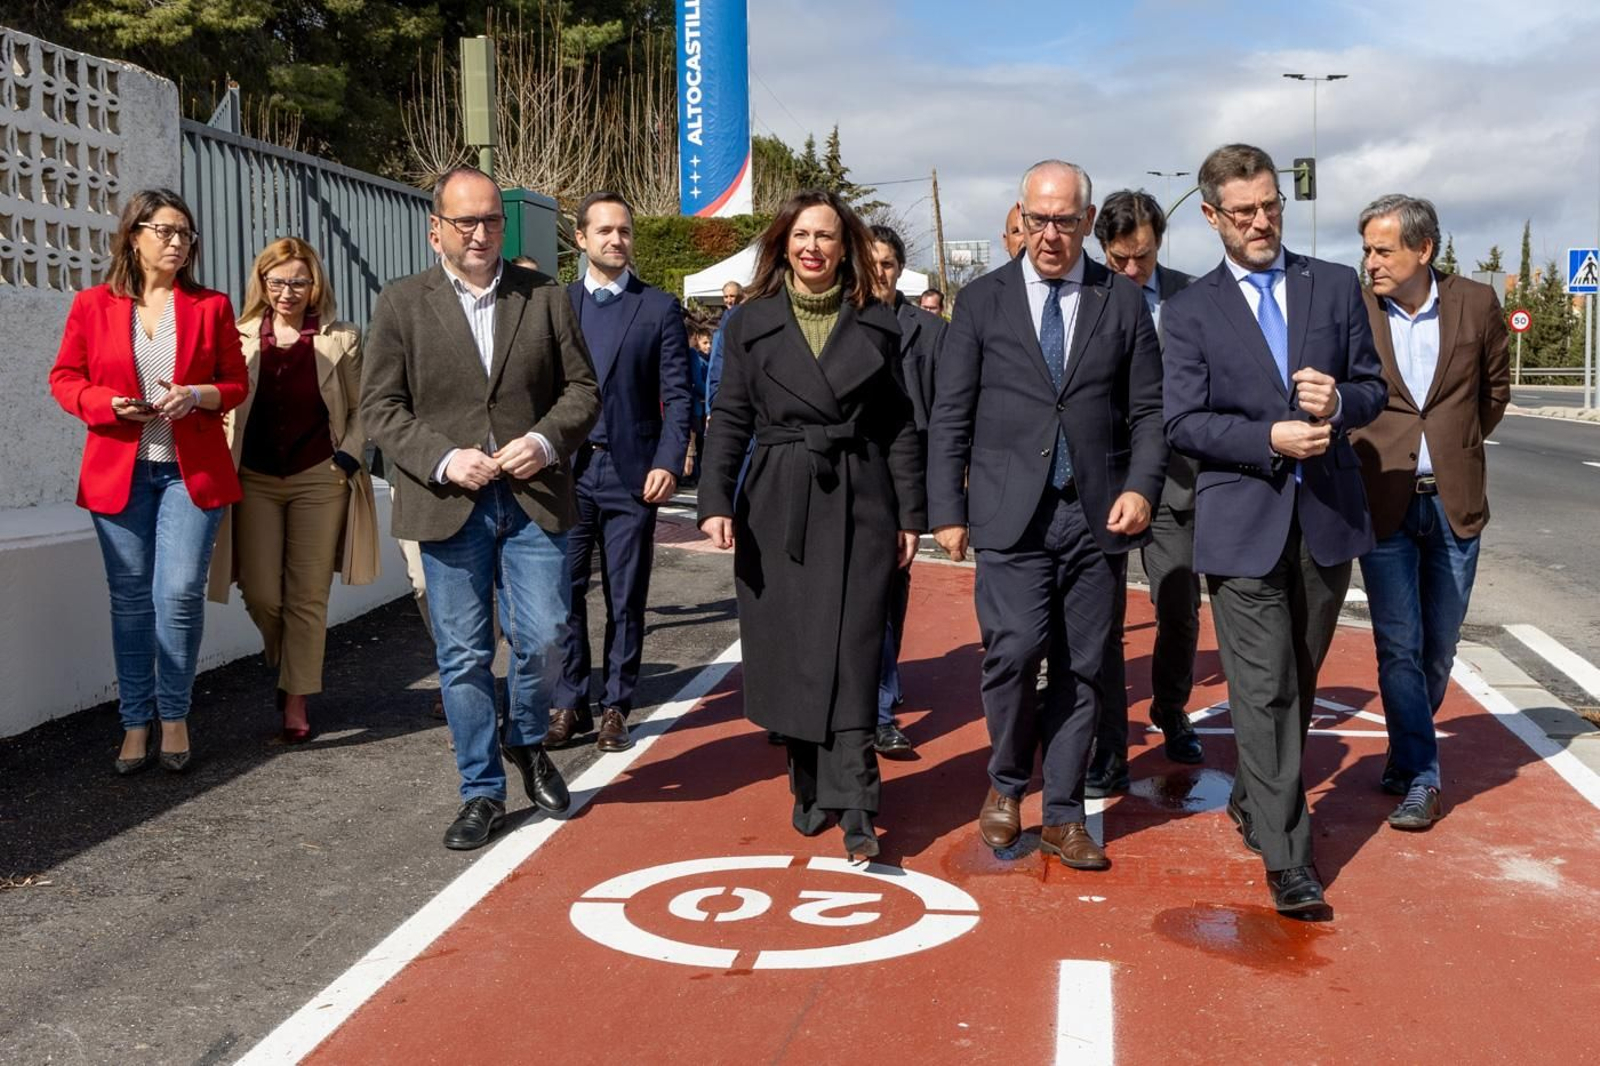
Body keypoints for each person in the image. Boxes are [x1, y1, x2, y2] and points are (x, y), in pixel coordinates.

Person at [1163, 143, 1386, 914]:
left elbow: (1372, 388)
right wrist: (1267, 439)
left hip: (1325, 519)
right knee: (1262, 692)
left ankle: (1258, 800)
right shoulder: (1189, 310)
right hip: (1241, 523)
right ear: (1211, 217)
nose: (1261, 221)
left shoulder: (1331, 284)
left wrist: (1339, 402)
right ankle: (1290, 861)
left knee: (1299, 675)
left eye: (1271, 206)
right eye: (1244, 211)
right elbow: (1183, 421)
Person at [927, 160, 1166, 871]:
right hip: (1008, 515)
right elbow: (950, 414)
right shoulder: (980, 302)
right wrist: (947, 508)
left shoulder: (1120, 302)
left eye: (1066, 220)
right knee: (1012, 650)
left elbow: (1151, 413)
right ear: (1021, 217)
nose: (1051, 234)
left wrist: (1143, 486)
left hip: (1096, 516)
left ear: (1088, 222)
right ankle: (1005, 785)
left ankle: (1064, 813)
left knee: (1086, 666)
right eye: (1038, 219)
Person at [361, 165, 600, 850]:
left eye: (491, 219)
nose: (480, 232)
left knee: (547, 635)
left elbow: (582, 392)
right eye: (465, 220)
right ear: (435, 228)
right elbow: (380, 407)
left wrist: (544, 441)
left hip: (532, 497)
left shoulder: (545, 297)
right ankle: (481, 791)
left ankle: (525, 741)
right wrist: (442, 457)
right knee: (464, 655)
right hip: (447, 500)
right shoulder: (402, 303)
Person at [698, 189, 925, 861]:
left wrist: (912, 513)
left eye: (827, 236)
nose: (814, 247)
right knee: (792, 650)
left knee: (854, 651)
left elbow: (898, 427)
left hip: (859, 495)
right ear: (783, 244)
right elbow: (730, 418)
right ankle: (805, 776)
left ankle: (856, 803)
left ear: (844, 246)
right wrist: (714, 499)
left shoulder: (879, 324)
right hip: (777, 500)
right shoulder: (749, 324)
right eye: (803, 235)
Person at [48, 187, 249, 774]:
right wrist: (108, 404)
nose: (178, 242)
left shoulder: (210, 306)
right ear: (134, 236)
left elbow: (235, 384)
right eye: (166, 231)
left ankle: (175, 716)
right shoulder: (93, 305)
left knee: (179, 593)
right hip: (120, 472)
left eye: (186, 233)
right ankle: (135, 723)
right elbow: (63, 378)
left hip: (192, 474)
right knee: (132, 602)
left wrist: (198, 396)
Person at [1350, 194, 1510, 830]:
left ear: (1423, 250)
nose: (1370, 262)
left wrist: (1453, 446)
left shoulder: (1476, 303)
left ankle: (1404, 747)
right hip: (1383, 498)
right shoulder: (1356, 309)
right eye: (1366, 248)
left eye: (1383, 250)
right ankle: (1423, 773)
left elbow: (1493, 392)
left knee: (1438, 648)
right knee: (1398, 647)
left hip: (1452, 502)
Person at [206, 237, 379, 743]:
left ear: (315, 285)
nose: (287, 291)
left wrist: (348, 455)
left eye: (299, 281)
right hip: (255, 479)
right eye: (277, 281)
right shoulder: (237, 338)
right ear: (262, 282)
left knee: (307, 595)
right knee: (260, 591)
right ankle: (288, 666)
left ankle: (297, 698)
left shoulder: (340, 338)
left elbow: (365, 405)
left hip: (319, 477)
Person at [549, 191, 693, 752]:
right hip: (567, 473)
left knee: (626, 595)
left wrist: (668, 461)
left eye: (624, 231)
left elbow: (679, 397)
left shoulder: (657, 308)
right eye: (604, 231)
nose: (616, 240)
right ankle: (568, 701)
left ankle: (616, 704)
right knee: (563, 594)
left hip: (632, 473)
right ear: (580, 239)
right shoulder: (557, 305)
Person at [1085, 189, 1204, 797]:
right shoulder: (1084, 293)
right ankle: (1108, 743)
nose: (1133, 271)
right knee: (1100, 618)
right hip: (1104, 479)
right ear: (1102, 248)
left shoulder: (1192, 295)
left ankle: (1171, 707)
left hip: (1177, 480)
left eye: (1144, 257)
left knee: (1180, 603)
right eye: (1120, 259)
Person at [867, 223, 945, 756]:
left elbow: (943, 414)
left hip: (907, 477)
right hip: (854, 475)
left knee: (892, 590)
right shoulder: (840, 323)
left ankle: (881, 696)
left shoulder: (930, 331)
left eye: (888, 264)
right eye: (870, 263)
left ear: (901, 269)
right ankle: (870, 706)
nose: (880, 273)